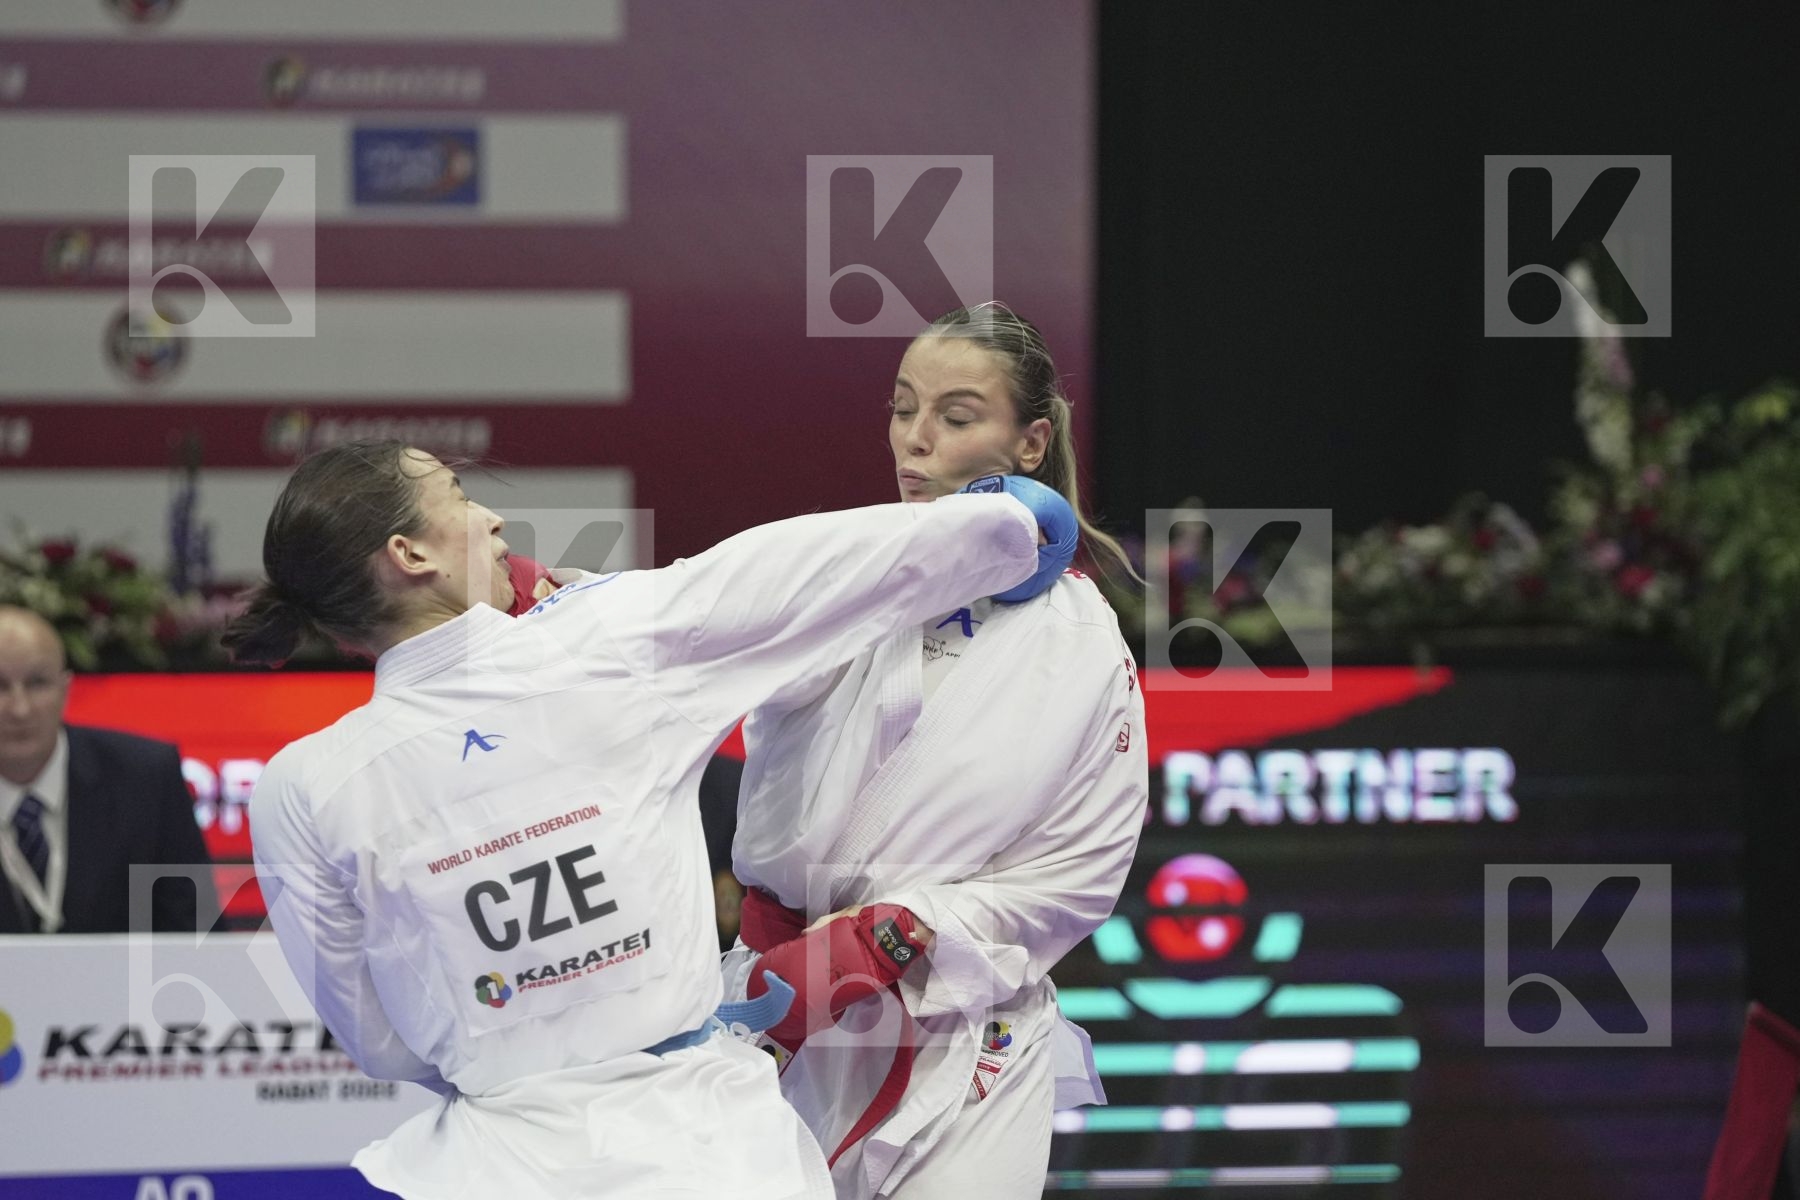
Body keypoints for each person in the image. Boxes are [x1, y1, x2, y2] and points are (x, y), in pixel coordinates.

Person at [223, 438, 1073, 1199]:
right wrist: (1001, 529)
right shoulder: (600, 642)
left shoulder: (302, 786)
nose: (489, 516)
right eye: (456, 494)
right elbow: (801, 571)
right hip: (708, 1156)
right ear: (408, 553)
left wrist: (516, 1051)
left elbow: (379, 1039)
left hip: (491, 1166)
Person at [724, 303, 1150, 1199]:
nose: (913, 441)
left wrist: (894, 933)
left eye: (955, 418)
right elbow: (686, 629)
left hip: (962, 1036)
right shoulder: (838, 566)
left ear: (1030, 446)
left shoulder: (1079, 645)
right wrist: (565, 604)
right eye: (900, 407)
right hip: (774, 1010)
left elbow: (1079, 872)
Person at [0, 605, 217, 935]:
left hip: (132, 987)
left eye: (37, 683)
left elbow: (199, 934)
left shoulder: (147, 778)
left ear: (65, 689)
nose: (19, 708)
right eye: (0, 686)